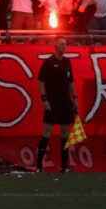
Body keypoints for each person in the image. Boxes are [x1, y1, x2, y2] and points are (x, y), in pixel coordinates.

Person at [36, 38, 78, 172]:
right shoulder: (48, 62)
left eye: (65, 44)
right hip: (53, 100)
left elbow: (70, 81)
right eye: (61, 44)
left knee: (65, 132)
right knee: (47, 131)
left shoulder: (67, 62)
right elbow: (41, 81)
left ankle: (64, 166)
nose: (64, 47)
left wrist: (75, 98)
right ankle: (39, 166)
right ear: (55, 46)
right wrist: (44, 99)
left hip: (66, 100)